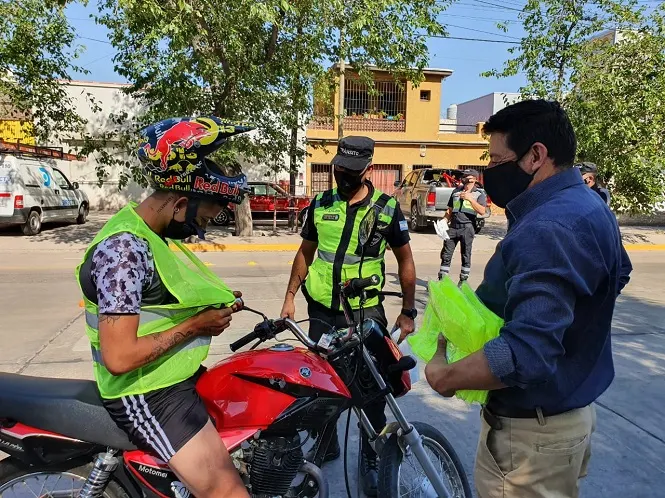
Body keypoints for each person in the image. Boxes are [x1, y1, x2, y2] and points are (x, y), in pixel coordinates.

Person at [423, 100, 633, 498]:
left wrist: (444, 376)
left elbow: (527, 353)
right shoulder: (589, 205)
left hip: (530, 440)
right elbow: (618, 272)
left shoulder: (549, 225)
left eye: (499, 160)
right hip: (567, 419)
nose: (490, 173)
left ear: (536, 155)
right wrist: (575, 326)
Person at [76, 116, 254, 498]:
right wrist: (196, 326)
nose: (201, 229)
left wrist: (209, 310)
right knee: (229, 493)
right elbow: (120, 356)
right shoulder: (124, 251)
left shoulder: (149, 235)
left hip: (169, 379)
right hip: (145, 391)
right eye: (202, 219)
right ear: (180, 204)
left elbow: (166, 295)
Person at [280, 136, 417, 497]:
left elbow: (406, 261)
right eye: (338, 167)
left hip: (363, 312)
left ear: (367, 169)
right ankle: (327, 443)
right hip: (321, 311)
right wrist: (290, 296)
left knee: (371, 390)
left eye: (351, 170)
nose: (342, 174)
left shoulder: (386, 209)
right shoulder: (321, 203)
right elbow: (305, 253)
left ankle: (371, 456)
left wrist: (407, 311)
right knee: (322, 385)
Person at [438, 169, 487, 284]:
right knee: (446, 254)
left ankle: (462, 282)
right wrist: (444, 220)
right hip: (453, 226)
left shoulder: (479, 194)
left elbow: (482, 211)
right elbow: (450, 209)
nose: (463, 179)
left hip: (467, 227)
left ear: (473, 179)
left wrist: (470, 199)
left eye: (466, 177)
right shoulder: (456, 191)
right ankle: (442, 281)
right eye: (463, 176)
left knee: (466, 254)